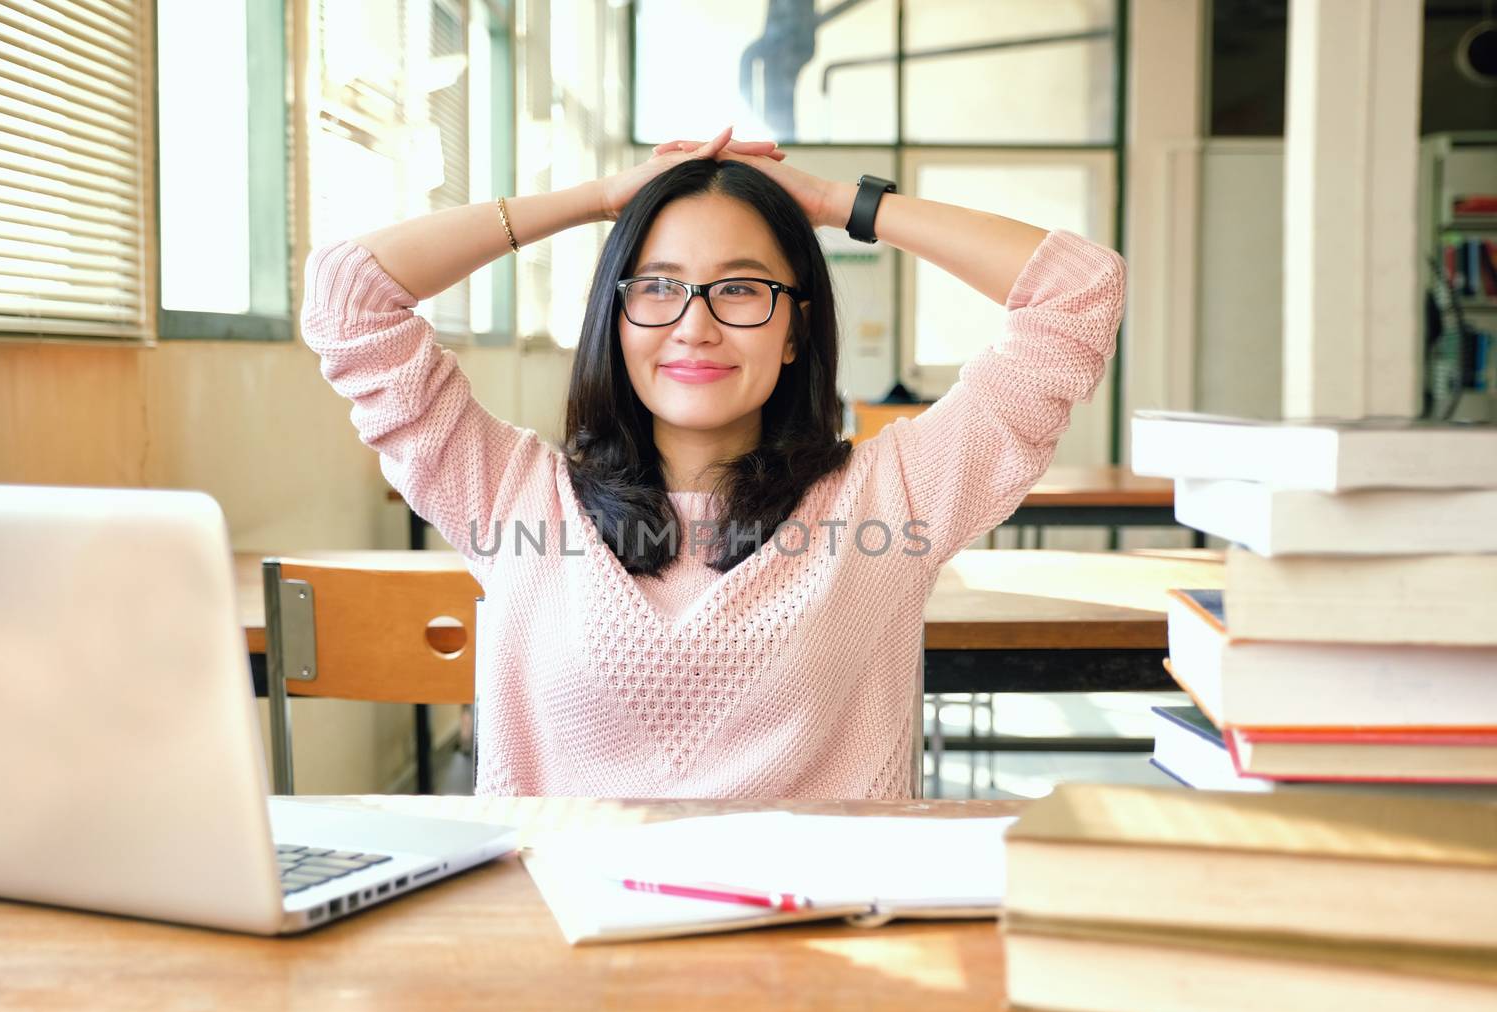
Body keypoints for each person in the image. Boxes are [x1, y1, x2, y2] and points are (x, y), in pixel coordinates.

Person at [300, 126, 1126, 799]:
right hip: (560, 957)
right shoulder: (514, 493)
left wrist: (838, 202)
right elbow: (349, 296)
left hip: (819, 960)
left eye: (741, 289)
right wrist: (598, 200)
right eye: (656, 287)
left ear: (797, 328)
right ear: (614, 321)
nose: (694, 326)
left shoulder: (892, 500)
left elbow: (1080, 291)